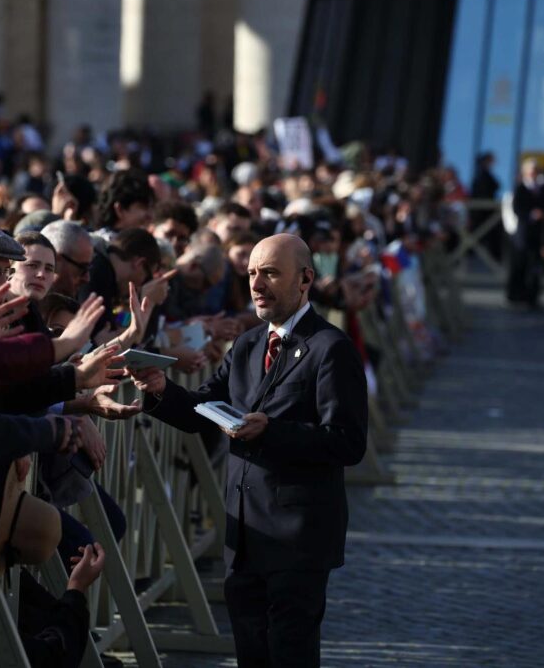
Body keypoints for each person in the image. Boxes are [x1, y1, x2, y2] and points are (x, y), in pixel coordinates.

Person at [128, 233, 368, 667]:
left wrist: (273, 431)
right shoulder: (247, 344)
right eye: (253, 272)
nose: (257, 284)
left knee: (290, 654)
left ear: (306, 279)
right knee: (251, 656)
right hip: (244, 535)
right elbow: (205, 408)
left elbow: (348, 442)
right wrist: (161, 391)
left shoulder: (330, 348)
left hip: (300, 536)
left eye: (271, 273)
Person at [507, 159, 544, 308]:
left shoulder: (543, 188)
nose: (533, 173)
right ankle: (516, 295)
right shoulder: (520, 187)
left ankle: (533, 296)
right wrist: (531, 215)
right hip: (523, 232)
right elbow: (516, 209)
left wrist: (542, 214)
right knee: (519, 264)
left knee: (535, 265)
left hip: (537, 234)